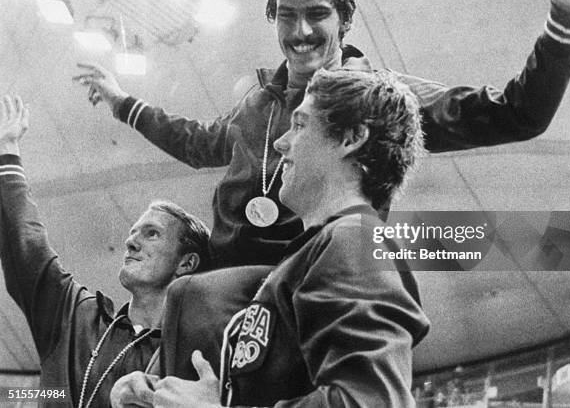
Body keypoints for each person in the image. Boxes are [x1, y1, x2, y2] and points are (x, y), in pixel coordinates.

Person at [75, 0, 570, 268]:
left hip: (311, 302)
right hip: (227, 311)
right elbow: (195, 143)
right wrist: (123, 104)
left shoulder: (378, 99)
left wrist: (568, 10)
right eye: (287, 16)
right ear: (272, 18)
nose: (300, 32)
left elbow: (518, 114)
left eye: (317, 15)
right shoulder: (256, 103)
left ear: (345, 19)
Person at [112, 68, 431, 408]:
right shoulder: (312, 256)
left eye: (300, 125)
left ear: (351, 138)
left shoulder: (353, 240)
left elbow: (371, 403)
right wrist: (158, 391)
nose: (281, 142)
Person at [0, 95, 211, 408]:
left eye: (152, 234)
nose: (131, 242)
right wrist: (7, 149)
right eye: (132, 233)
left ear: (187, 262)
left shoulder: (198, 357)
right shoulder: (77, 315)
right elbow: (27, 246)